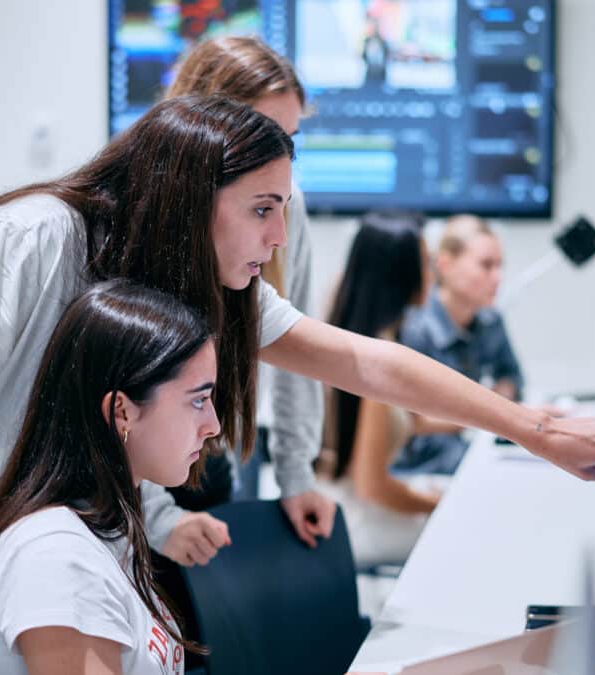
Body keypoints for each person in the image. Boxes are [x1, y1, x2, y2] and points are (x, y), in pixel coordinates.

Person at [0, 95, 595, 675]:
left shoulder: (192, 283)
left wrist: (530, 427)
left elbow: (363, 360)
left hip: (1, 499)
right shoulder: (38, 238)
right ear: (189, 197)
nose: (278, 237)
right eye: (263, 208)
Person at [0, 281, 217, 674]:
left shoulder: (104, 532)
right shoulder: (56, 557)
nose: (213, 426)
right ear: (122, 411)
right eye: (198, 400)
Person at [156, 36, 330, 554]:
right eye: (266, 136)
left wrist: (297, 475)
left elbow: (305, 349)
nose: (282, 164)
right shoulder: (148, 214)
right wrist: (154, 515)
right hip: (126, 487)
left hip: (210, 459)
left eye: (291, 141)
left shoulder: (286, 209)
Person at [316, 211, 443, 568]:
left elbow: (408, 420)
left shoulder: (356, 337)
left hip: (342, 504)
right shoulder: (376, 363)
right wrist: (436, 503)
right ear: (400, 275)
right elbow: (372, 485)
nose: (433, 276)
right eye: (427, 264)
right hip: (352, 520)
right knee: (463, 527)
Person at [396, 214, 523, 473]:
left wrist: (504, 393)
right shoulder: (414, 329)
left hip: (465, 453)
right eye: (486, 265)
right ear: (445, 265)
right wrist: (493, 413)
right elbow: (411, 421)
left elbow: (512, 374)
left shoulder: (491, 320)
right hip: (420, 469)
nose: (498, 277)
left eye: (500, 266)